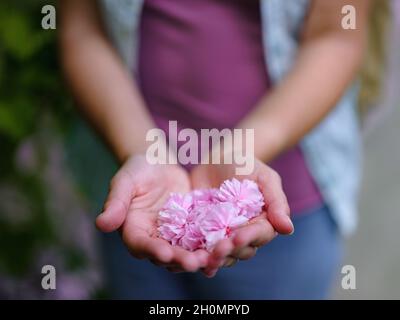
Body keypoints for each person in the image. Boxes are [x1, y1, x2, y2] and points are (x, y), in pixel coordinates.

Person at [59, 0, 373, 299]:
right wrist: (141, 149)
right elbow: (82, 29)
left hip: (286, 200)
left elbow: (336, 37)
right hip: (133, 192)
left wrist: (243, 149)